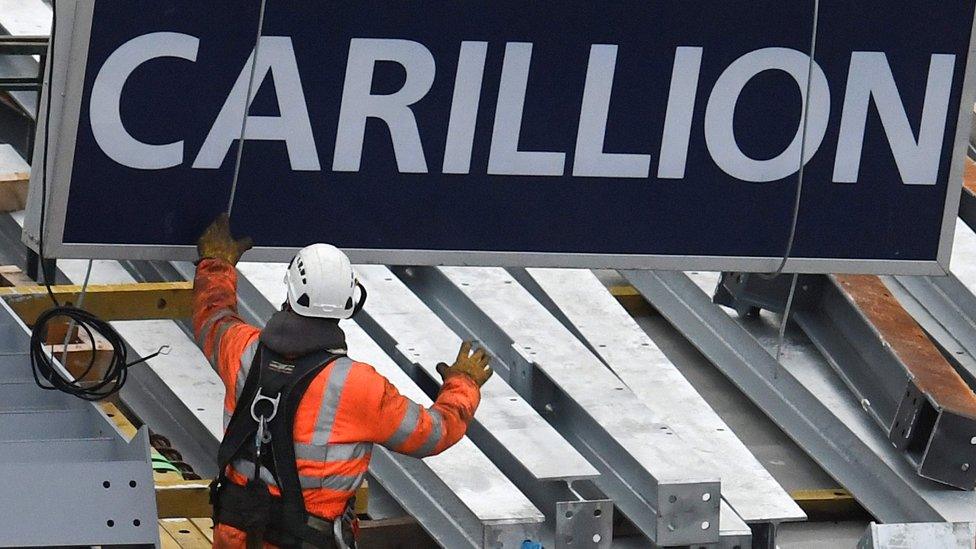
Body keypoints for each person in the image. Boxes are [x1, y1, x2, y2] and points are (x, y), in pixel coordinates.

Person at [193, 214, 493, 548]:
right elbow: (432, 433)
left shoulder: (242, 351)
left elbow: (213, 316)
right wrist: (464, 382)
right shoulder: (359, 387)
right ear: (349, 303)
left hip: (236, 535)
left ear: (290, 293)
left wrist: (216, 262)